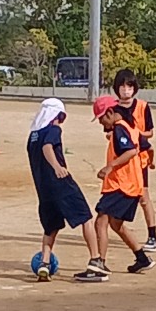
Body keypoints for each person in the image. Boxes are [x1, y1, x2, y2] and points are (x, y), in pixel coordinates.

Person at [26, 98, 102, 282]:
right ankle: (95, 260)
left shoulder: (32, 136)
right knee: (86, 217)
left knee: (50, 227)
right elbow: (47, 147)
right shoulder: (53, 129)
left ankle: (44, 263)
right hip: (61, 184)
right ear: (57, 116)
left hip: (43, 188)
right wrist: (57, 167)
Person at [82, 95, 156, 280]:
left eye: (101, 118)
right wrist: (149, 162)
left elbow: (130, 151)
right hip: (133, 184)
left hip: (122, 185)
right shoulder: (132, 127)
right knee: (116, 224)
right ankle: (142, 258)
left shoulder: (120, 129)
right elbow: (147, 147)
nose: (101, 123)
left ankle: (99, 263)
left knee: (101, 220)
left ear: (110, 113)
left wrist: (110, 166)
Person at [111, 69, 156, 253]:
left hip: (139, 160)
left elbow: (150, 132)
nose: (126, 90)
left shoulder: (143, 106)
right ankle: (114, 227)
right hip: (121, 161)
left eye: (129, 86)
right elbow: (109, 132)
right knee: (117, 196)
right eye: (122, 86)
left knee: (144, 198)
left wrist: (135, 134)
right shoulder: (113, 108)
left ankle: (153, 236)